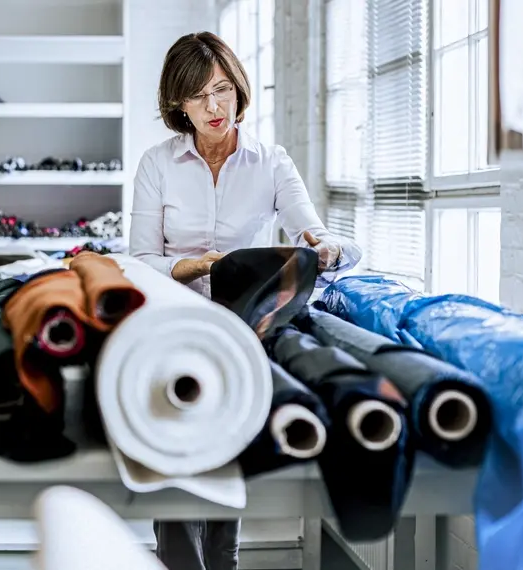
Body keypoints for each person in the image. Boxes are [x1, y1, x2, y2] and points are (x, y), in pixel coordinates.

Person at [129, 32, 362, 570]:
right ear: (177, 104)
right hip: (176, 329)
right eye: (198, 95)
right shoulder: (157, 164)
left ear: (239, 90)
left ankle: (224, 562)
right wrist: (195, 265)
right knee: (180, 452)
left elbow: (327, 239)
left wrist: (325, 248)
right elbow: (140, 259)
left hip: (246, 331)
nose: (214, 107)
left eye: (223, 89)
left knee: (227, 451)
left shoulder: (270, 162)